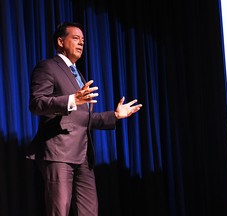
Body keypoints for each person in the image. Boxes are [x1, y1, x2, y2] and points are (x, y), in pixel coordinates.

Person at [26, 22, 142, 216]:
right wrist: (72, 99)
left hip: (84, 156)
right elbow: (37, 103)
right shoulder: (48, 67)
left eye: (83, 40)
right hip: (59, 152)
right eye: (75, 38)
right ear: (60, 41)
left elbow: (83, 118)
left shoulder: (78, 74)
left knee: (89, 211)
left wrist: (114, 115)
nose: (81, 43)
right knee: (59, 211)